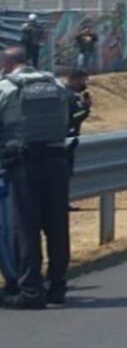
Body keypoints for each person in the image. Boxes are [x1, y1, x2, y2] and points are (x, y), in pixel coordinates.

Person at [0, 46, 72, 308]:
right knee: (57, 226)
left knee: (26, 228)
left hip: (24, 164)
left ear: (7, 65)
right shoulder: (55, 84)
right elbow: (66, 119)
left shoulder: (6, 88)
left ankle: (30, 291)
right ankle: (58, 288)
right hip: (57, 160)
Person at [63, 69, 90, 211]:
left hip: (62, 137)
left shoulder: (62, 93)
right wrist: (86, 107)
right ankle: (63, 202)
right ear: (74, 79)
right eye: (82, 80)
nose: (84, 83)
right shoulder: (71, 97)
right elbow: (76, 115)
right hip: (68, 138)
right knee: (65, 173)